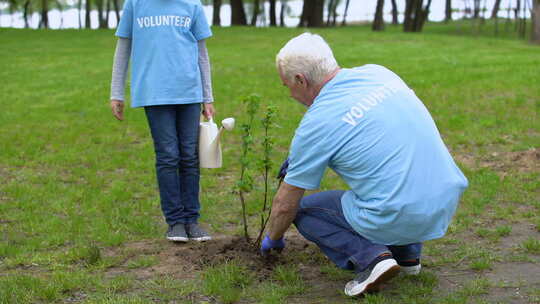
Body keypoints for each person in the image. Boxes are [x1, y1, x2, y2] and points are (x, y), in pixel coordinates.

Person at [260, 33, 468, 297]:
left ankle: (373, 259)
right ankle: (407, 257)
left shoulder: (317, 122)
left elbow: (285, 204)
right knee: (397, 172)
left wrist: (274, 239)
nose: (290, 93)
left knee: (303, 211)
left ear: (301, 80)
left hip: (399, 213)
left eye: (287, 85)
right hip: (443, 201)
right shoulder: (379, 73)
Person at [109, 0, 215, 242]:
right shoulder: (135, 4)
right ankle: (175, 222)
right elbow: (123, 47)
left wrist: (207, 96)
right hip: (154, 93)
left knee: (189, 155)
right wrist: (117, 92)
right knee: (168, 155)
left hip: (189, 92)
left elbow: (202, 54)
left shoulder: (192, 5)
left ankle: (192, 220)